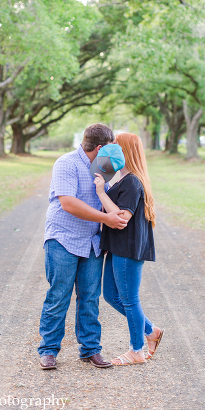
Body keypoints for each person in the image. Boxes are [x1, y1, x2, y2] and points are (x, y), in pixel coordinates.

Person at [38, 123, 129, 370]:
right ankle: (48, 350)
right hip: (63, 239)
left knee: (90, 298)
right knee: (59, 296)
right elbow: (68, 203)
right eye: (109, 147)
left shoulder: (104, 166)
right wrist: (106, 219)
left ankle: (90, 349)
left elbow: (106, 199)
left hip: (92, 242)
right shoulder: (66, 163)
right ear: (99, 147)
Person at [93, 133, 163, 366]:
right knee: (111, 296)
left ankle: (137, 350)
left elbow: (122, 217)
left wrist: (102, 193)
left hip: (128, 247)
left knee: (130, 300)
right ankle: (151, 331)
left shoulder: (133, 182)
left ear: (125, 151)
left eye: (116, 147)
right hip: (117, 246)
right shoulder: (122, 179)